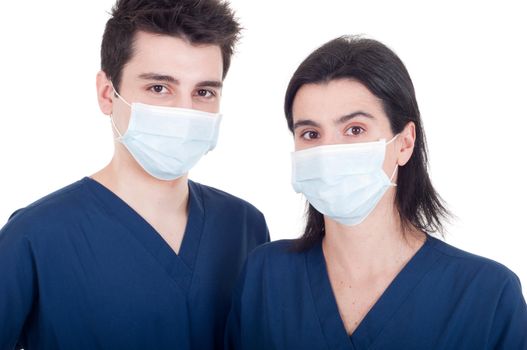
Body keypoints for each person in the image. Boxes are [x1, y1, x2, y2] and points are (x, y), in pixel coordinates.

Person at [225, 36, 527, 349]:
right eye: (311, 134)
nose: (329, 153)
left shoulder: (486, 296)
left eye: (355, 130)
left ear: (405, 143)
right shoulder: (265, 276)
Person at [0, 0, 269, 349]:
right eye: (159, 88)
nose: (184, 112)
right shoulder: (34, 237)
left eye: (203, 92)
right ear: (107, 93)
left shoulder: (245, 226)